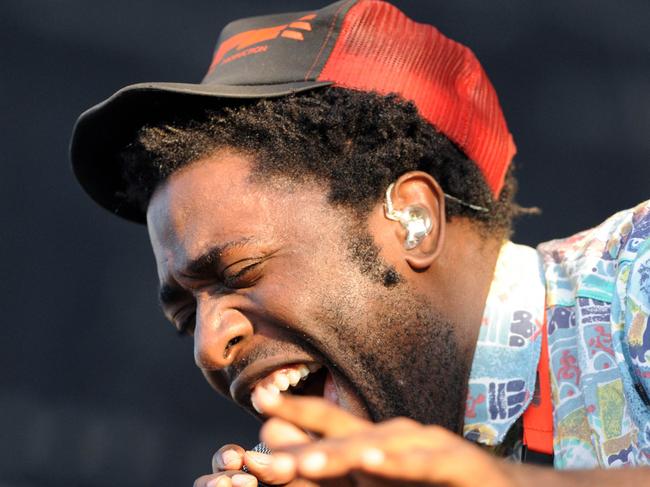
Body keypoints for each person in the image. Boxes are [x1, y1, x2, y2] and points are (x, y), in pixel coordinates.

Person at [70, 0, 650, 485]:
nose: (209, 346)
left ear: (412, 219)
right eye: (185, 318)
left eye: (241, 271)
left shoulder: (635, 275)